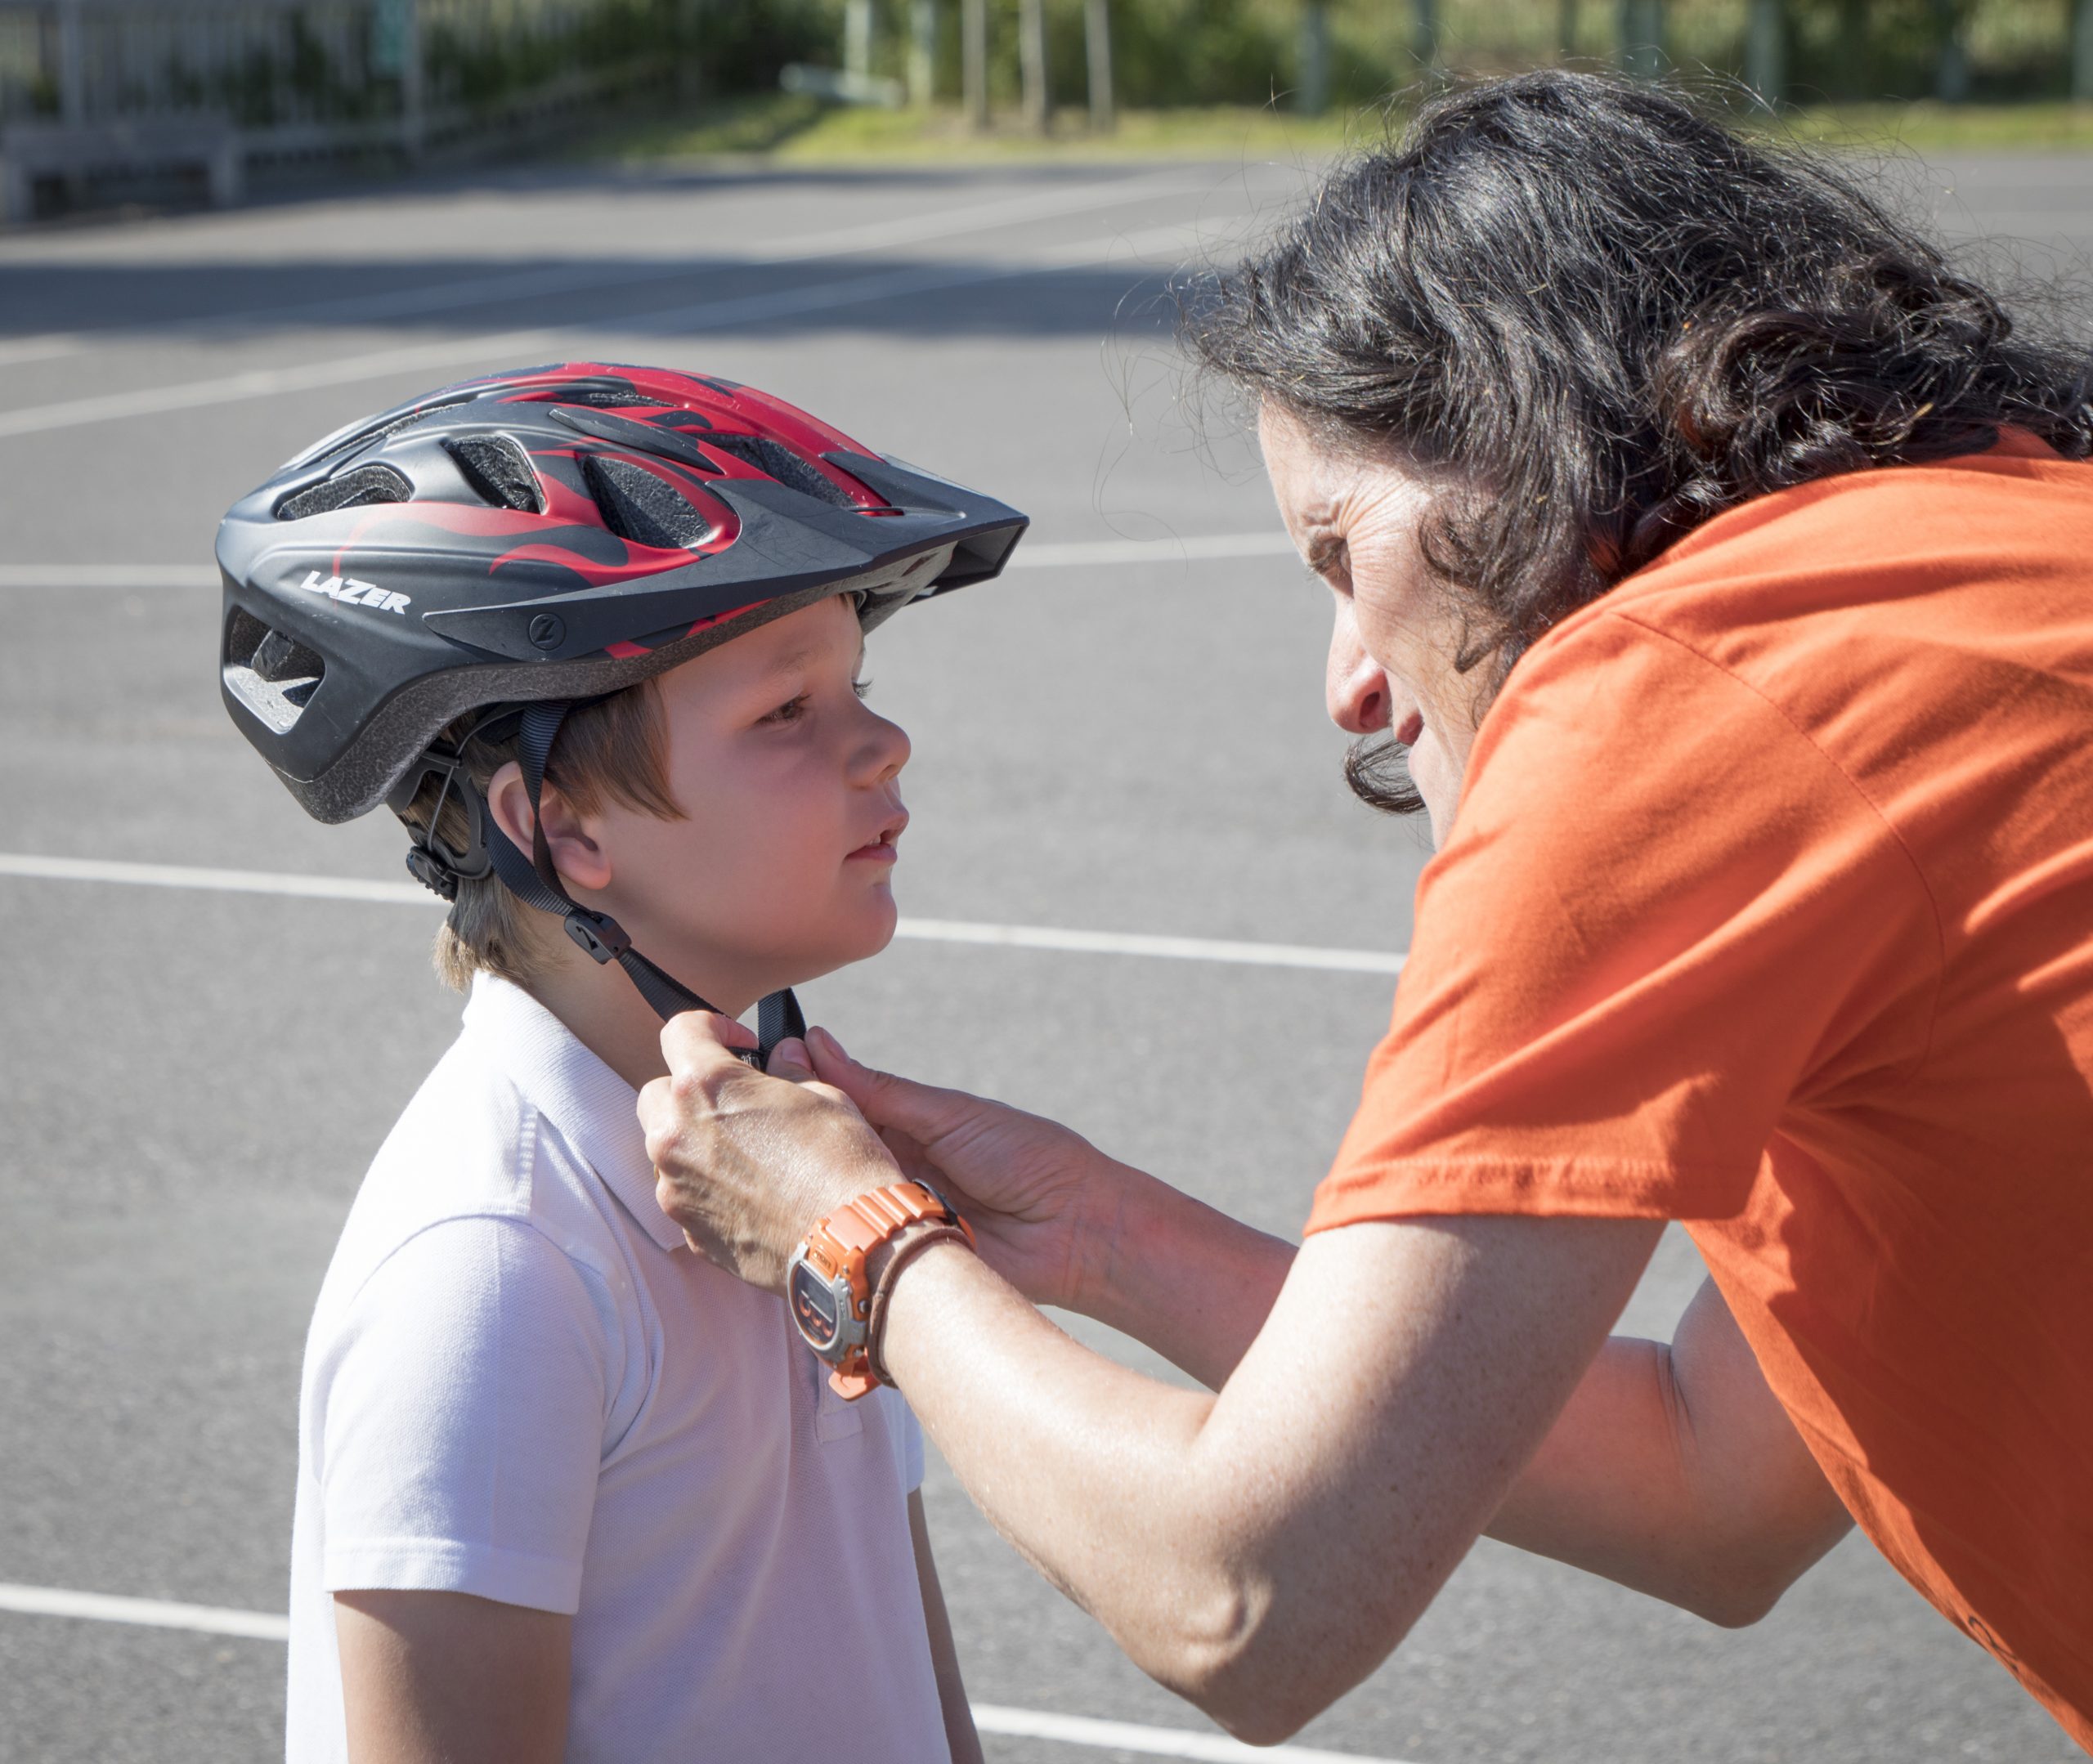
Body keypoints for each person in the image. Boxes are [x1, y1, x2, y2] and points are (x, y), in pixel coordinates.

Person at [638, 73, 2093, 1754]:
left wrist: (850, 1243)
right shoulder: (1993, 546)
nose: (1342, 684)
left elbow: (1242, 1601)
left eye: (1338, 553)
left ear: (1515, 438)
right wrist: (1105, 1232)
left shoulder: (1684, 692)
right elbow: (1715, 1481)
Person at [214, 363, 1026, 1762]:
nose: (883, 742)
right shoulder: (496, 1271)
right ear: (563, 827)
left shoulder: (801, 1155)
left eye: (859, 686)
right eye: (788, 712)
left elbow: (904, 1668)